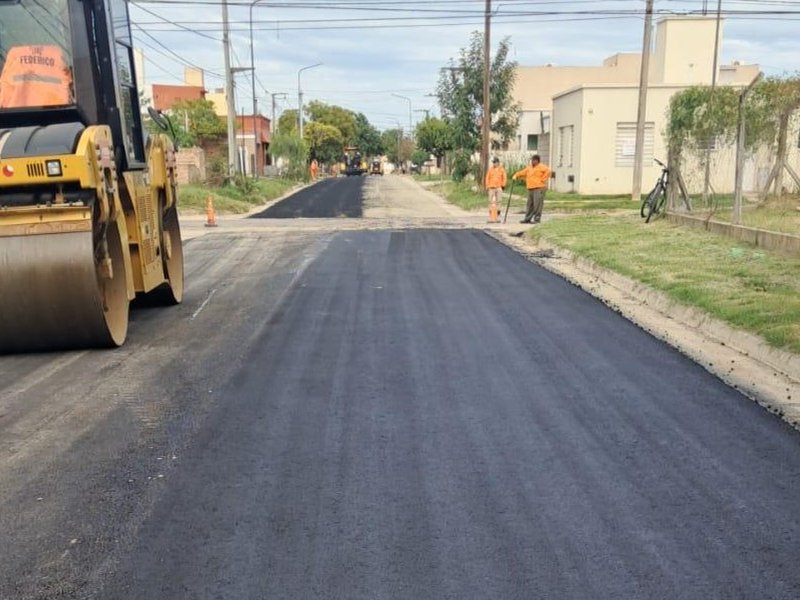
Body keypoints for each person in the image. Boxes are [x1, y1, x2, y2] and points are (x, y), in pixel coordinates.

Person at [512, 154, 551, 224]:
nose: (532, 161)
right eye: (531, 160)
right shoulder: (529, 168)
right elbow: (522, 172)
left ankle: (537, 219)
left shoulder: (542, 167)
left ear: (537, 161)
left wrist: (543, 180)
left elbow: (548, 171)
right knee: (529, 204)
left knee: (537, 204)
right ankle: (527, 218)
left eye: (533, 160)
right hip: (530, 188)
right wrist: (516, 175)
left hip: (539, 188)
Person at [485, 157, 507, 223]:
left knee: (499, 200)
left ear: (498, 163)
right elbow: (487, 178)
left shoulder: (502, 169)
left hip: (498, 187)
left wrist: (503, 185)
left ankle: (498, 212)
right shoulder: (490, 170)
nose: (494, 164)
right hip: (491, 187)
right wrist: (487, 186)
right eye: (493, 162)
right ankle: (491, 213)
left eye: (495, 162)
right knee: (490, 201)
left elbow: (504, 177)